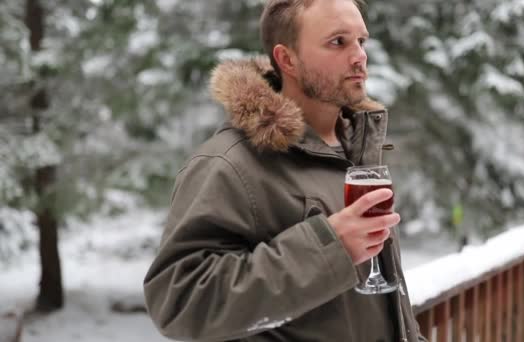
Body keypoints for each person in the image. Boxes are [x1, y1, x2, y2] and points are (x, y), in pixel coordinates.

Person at [143, 0, 426, 341]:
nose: (359, 57)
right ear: (287, 59)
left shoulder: (355, 150)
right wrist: (329, 247)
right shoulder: (229, 164)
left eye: (361, 41)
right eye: (338, 42)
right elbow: (181, 302)